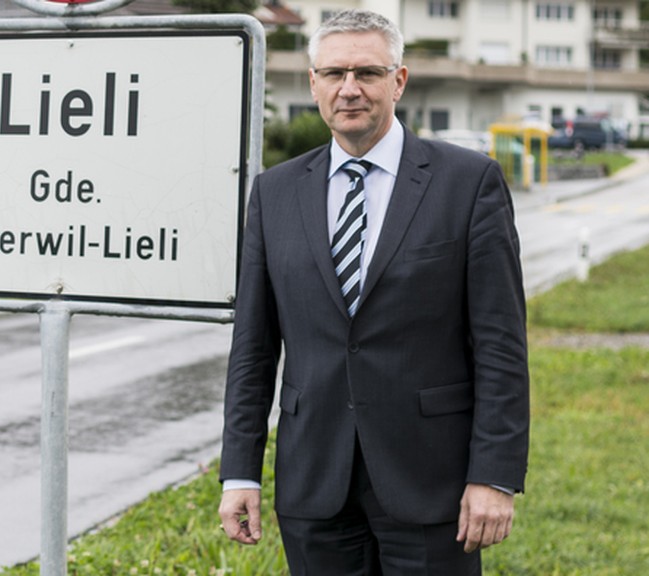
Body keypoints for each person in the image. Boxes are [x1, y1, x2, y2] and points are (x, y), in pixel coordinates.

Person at [217, 9, 529, 575]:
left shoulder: (468, 183)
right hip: (314, 483)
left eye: (367, 72)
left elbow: (501, 345)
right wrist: (239, 471)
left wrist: (495, 475)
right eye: (334, 73)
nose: (350, 89)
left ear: (399, 80)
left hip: (433, 485)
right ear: (313, 83)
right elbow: (253, 349)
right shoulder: (275, 193)